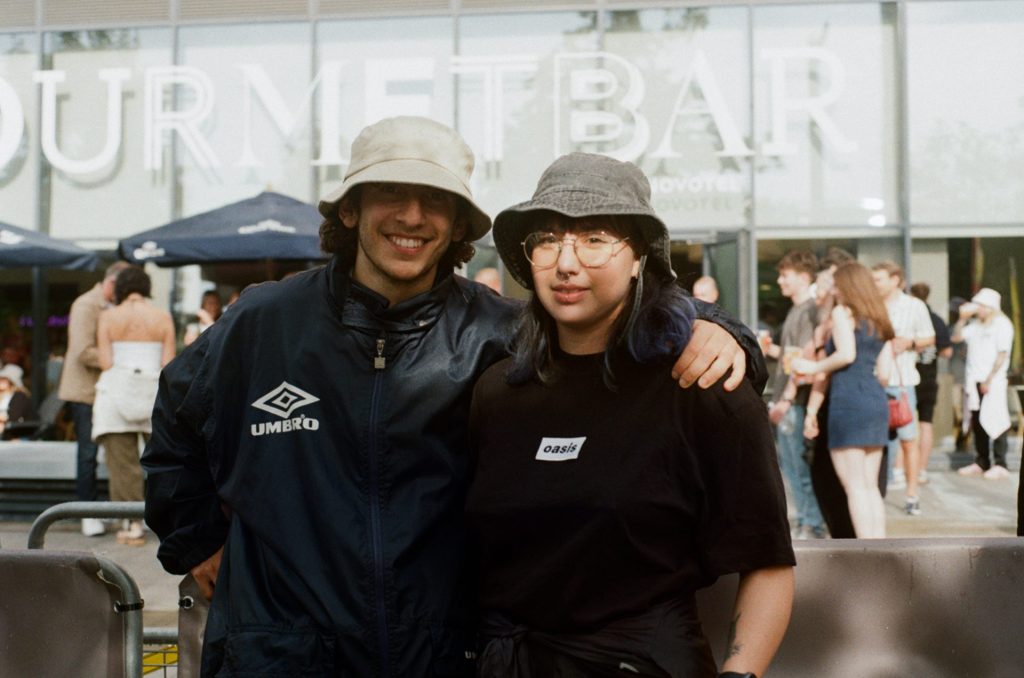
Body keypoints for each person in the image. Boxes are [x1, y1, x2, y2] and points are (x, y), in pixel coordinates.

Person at [141, 116, 767, 677]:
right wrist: (196, 539)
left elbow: (610, 324)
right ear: (350, 211)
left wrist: (721, 330)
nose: (412, 216)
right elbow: (175, 419)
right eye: (390, 192)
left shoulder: (500, 332)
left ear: (460, 224)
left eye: (436, 200)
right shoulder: (264, 321)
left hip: (439, 655)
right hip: (280, 655)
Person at [469, 152, 794, 677]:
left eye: (596, 239)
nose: (566, 263)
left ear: (640, 256)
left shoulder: (702, 385)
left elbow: (768, 562)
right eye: (548, 239)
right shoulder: (497, 392)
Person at [794, 262, 895, 538]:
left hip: (848, 400)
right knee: (870, 485)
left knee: (854, 486)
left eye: (837, 284)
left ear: (847, 286)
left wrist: (812, 367)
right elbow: (886, 374)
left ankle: (868, 553)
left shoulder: (842, 313)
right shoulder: (879, 317)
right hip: (876, 400)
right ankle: (880, 547)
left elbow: (847, 354)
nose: (834, 289)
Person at [93, 266, 175, 545]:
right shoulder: (162, 317)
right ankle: (171, 523)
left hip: (117, 391)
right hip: (153, 392)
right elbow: (169, 362)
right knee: (164, 460)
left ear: (121, 288)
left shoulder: (108, 317)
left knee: (123, 463)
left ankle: (133, 525)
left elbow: (105, 362)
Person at [59, 260, 131, 537]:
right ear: (112, 282)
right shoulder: (86, 305)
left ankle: (101, 510)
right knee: (88, 454)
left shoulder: (111, 307)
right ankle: (86, 514)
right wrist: (118, 362)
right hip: (85, 391)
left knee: (106, 452)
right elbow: (82, 350)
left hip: (106, 389)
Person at [764, 249, 826, 539]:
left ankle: (810, 523)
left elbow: (803, 359)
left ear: (804, 277)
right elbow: (793, 357)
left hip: (795, 402)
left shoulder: (810, 309)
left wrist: (786, 399)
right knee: (791, 467)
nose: (779, 281)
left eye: (785, 275)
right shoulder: (800, 310)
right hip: (790, 400)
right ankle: (806, 520)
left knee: (798, 468)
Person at [871, 261, 935, 516]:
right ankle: (876, 493)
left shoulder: (915, 306)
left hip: (903, 381)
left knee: (909, 440)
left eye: (879, 279)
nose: (874, 284)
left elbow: (930, 337)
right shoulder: (870, 306)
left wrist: (908, 342)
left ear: (895, 280)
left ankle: (912, 494)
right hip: (874, 381)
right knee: (876, 442)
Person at [952, 288, 1014, 480]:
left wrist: (989, 378)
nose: (977, 309)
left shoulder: (1002, 324)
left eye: (980, 305)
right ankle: (982, 460)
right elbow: (956, 337)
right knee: (977, 420)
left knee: (996, 419)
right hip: (974, 380)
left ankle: (1000, 462)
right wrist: (962, 318)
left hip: (993, 381)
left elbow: (1002, 353)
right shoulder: (976, 325)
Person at [909, 282, 953, 484]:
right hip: (929, 377)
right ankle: (922, 470)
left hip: (908, 378)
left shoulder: (908, 316)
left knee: (906, 426)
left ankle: (904, 470)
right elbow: (947, 351)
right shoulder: (937, 320)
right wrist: (932, 353)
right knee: (925, 424)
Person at [0, 364, 36, 440]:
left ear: (12, 382)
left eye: (4, 379)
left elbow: (14, 417)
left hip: (19, 432)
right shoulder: (3, 395)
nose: (0, 381)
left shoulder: (19, 396)